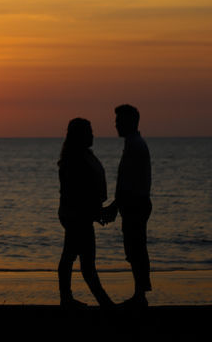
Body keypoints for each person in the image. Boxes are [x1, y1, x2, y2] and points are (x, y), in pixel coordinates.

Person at [56, 117, 115, 309]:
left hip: (81, 216)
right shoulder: (73, 160)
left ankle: (72, 299)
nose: (93, 135)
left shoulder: (82, 156)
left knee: (78, 259)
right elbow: (77, 193)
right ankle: (97, 302)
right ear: (80, 135)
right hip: (76, 217)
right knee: (79, 260)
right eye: (89, 131)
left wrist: (96, 212)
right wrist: (95, 212)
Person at [102, 103, 152, 307]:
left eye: (119, 121)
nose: (115, 125)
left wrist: (115, 205)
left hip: (135, 204)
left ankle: (140, 295)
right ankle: (139, 293)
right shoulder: (134, 144)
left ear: (129, 122)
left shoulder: (135, 145)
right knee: (134, 248)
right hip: (133, 203)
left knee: (135, 249)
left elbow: (129, 182)